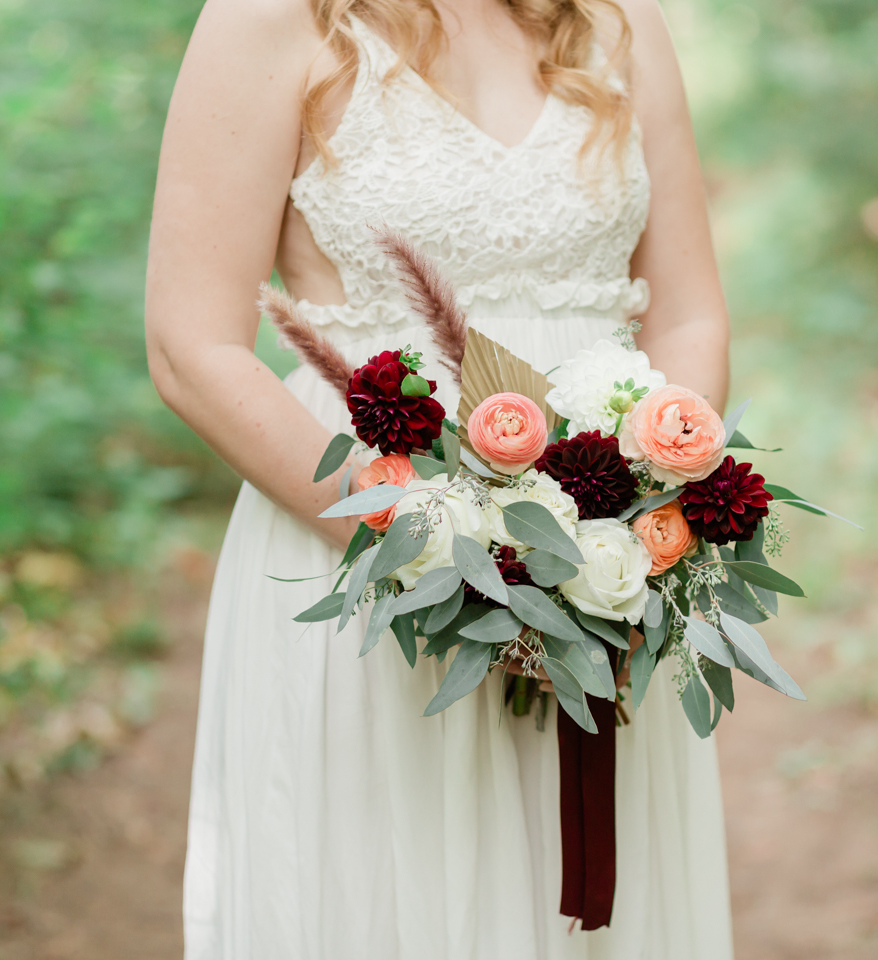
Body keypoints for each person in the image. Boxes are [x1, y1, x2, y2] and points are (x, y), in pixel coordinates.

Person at [145, 0, 734, 953]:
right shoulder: (268, 18)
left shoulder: (616, 20)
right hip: (365, 568)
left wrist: (644, 524)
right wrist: (435, 558)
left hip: (604, 579)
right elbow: (190, 347)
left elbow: (690, 317)